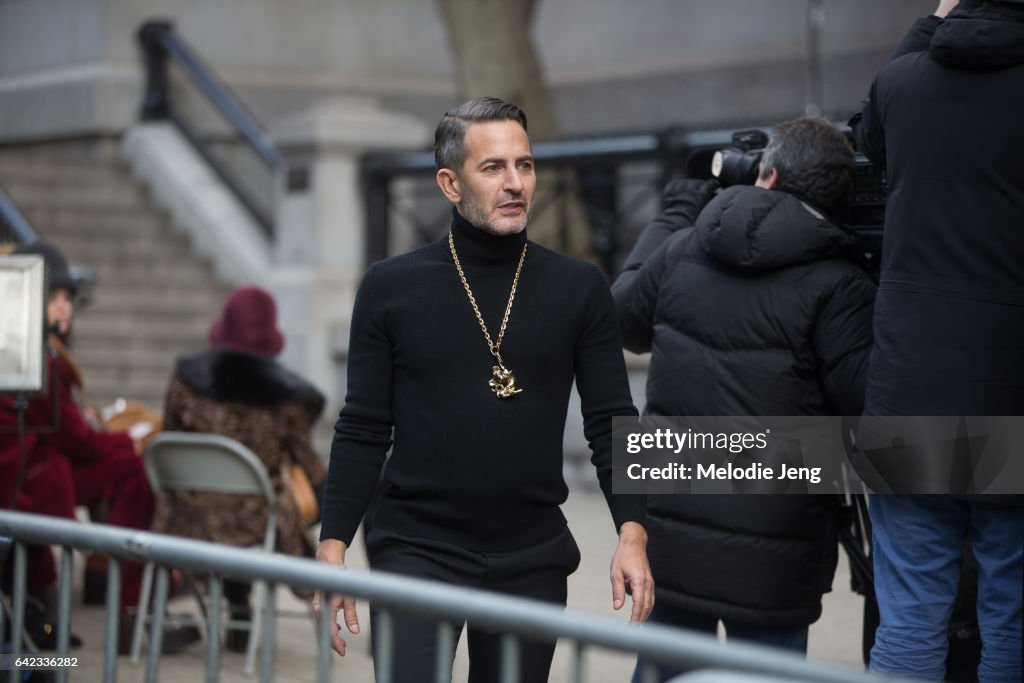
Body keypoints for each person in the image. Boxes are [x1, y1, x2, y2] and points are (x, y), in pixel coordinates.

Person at [313, 96, 653, 683]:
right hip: (416, 548)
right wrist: (334, 543)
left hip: (532, 554)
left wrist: (632, 529)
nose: (515, 182)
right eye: (493, 167)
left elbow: (611, 420)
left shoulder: (579, 288)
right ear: (450, 182)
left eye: (524, 165)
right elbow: (364, 425)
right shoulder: (390, 288)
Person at [612, 117, 876, 681]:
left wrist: (679, 205)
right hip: (776, 548)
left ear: (768, 175)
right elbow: (867, 413)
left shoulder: (684, 246)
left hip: (673, 529)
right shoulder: (841, 282)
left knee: (663, 668)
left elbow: (622, 320)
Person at [850, 1, 1024, 681]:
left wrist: (931, 16)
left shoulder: (903, 84)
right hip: (1011, 387)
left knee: (911, 614)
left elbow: (871, 133)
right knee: (1011, 615)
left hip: (910, 385)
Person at [0, 241, 197, 653]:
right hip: (23, 478)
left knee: (126, 463)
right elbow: (74, 439)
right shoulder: (31, 353)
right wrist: (129, 437)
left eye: (67, 298)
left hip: (28, 470)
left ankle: (110, 588)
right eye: (53, 296)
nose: (64, 307)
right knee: (130, 467)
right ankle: (129, 607)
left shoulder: (34, 348)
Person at [155, 284, 327, 651]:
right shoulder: (286, 400)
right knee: (276, 506)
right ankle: (242, 607)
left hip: (186, 516)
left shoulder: (184, 381)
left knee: (228, 501)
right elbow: (311, 468)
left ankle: (233, 605)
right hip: (254, 525)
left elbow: (170, 438)